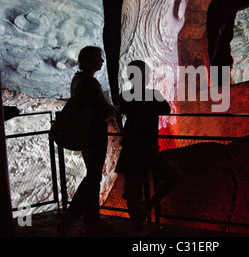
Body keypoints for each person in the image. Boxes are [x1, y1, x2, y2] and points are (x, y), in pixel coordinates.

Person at [115, 60, 184, 233]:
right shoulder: (153, 95)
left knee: (133, 189)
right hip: (149, 148)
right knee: (174, 175)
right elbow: (166, 109)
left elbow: (119, 112)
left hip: (131, 148)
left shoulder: (125, 96)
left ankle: (137, 224)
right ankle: (148, 207)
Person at [58, 46, 118, 236]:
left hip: (85, 133)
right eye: (99, 58)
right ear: (91, 60)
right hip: (94, 133)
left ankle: (87, 217)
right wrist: (118, 108)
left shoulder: (78, 79)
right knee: (94, 176)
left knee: (92, 175)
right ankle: (78, 216)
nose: (102, 62)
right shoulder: (90, 83)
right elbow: (103, 109)